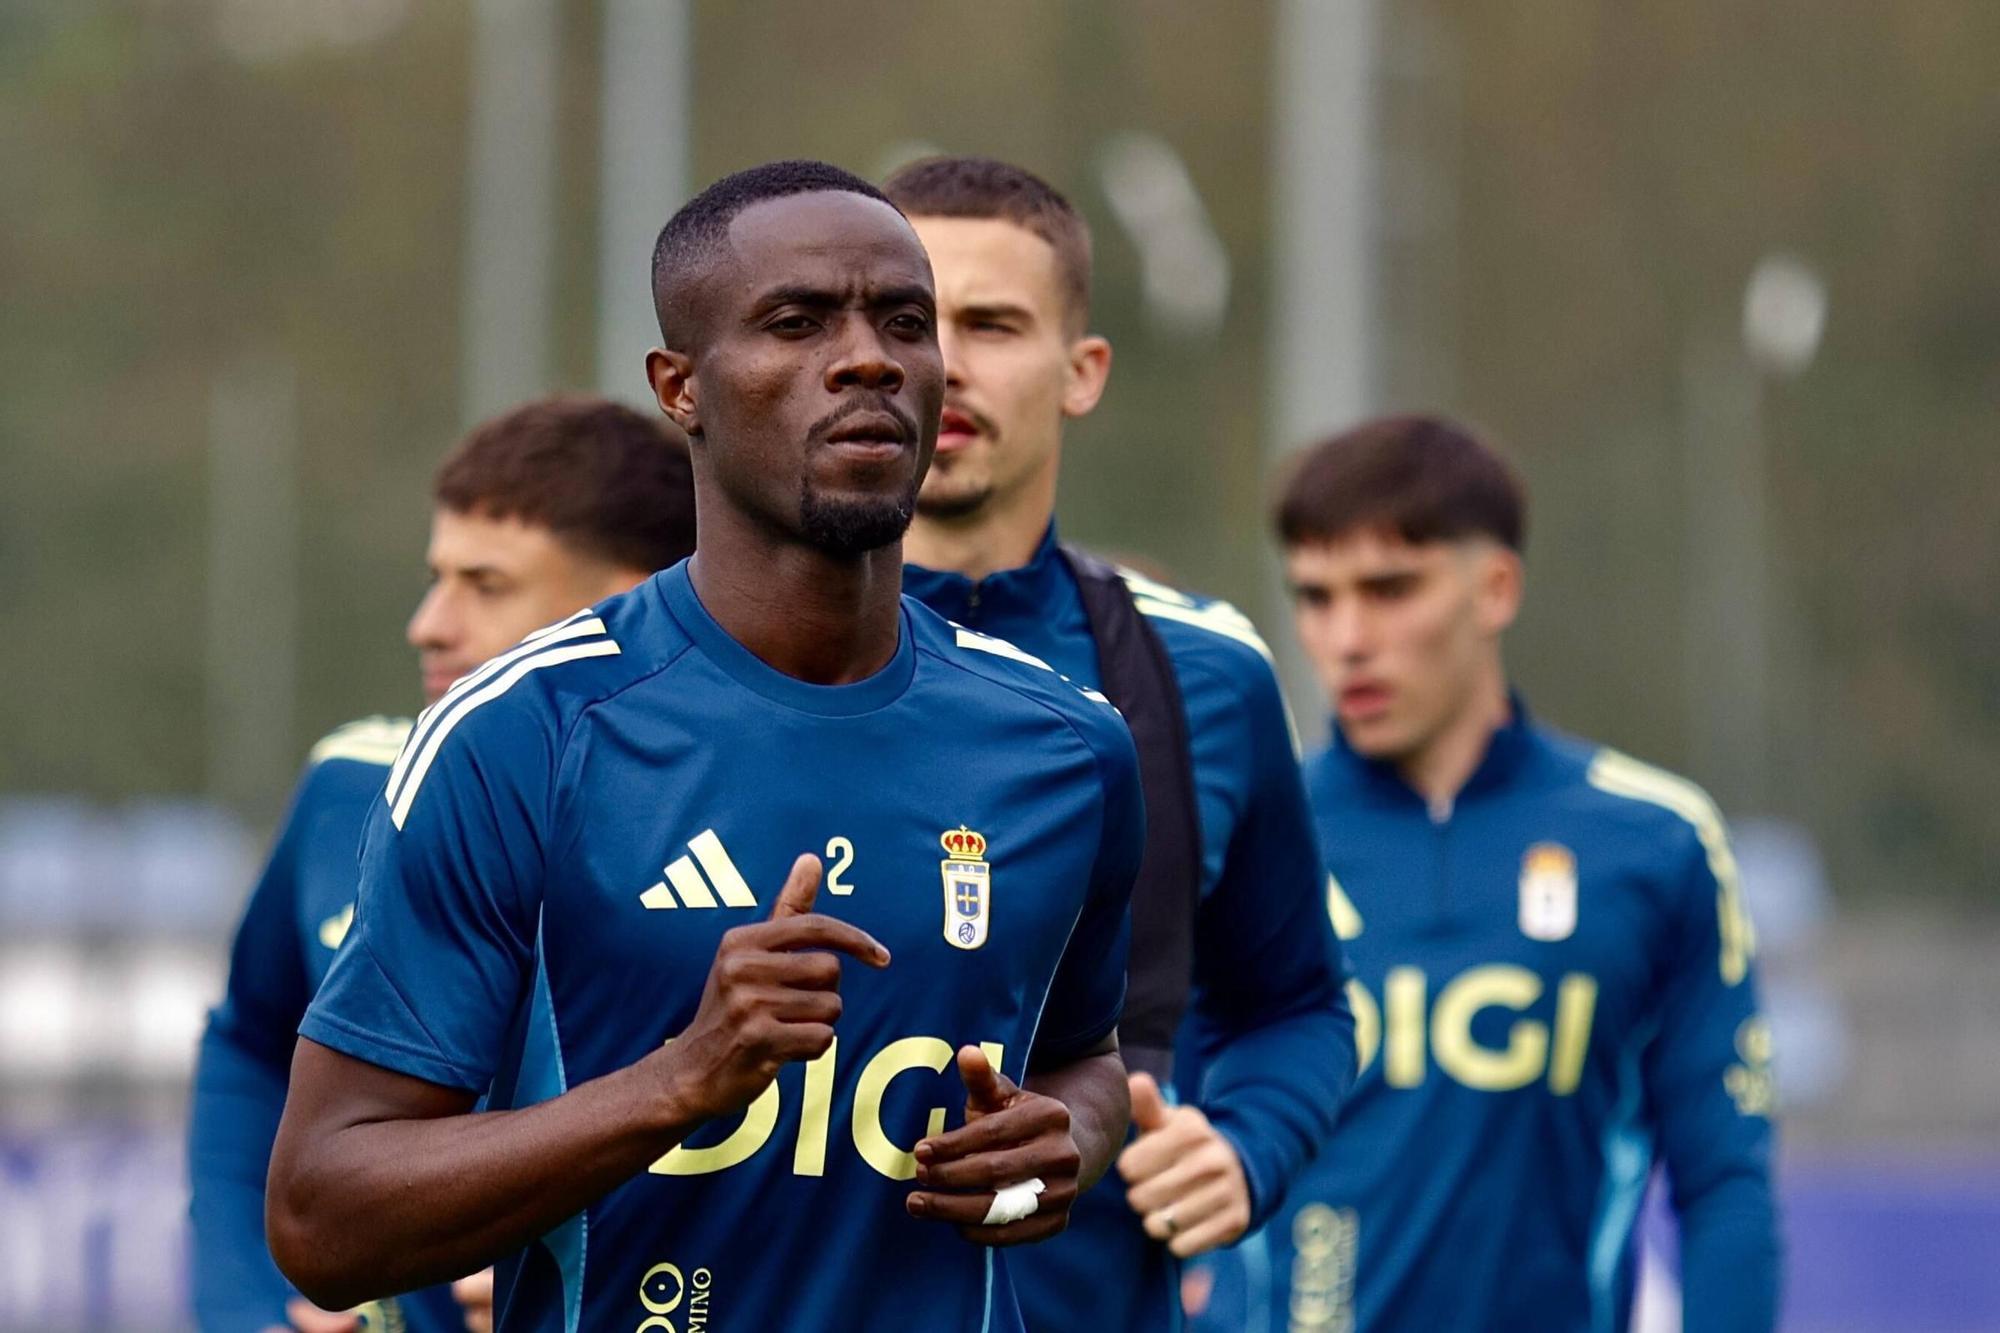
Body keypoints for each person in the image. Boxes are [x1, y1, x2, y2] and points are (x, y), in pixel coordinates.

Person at [264, 160, 1145, 1333]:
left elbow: (1086, 1059)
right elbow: (324, 1220)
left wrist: (1060, 1149)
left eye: (902, 321)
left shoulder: (1066, 746)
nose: (868, 357)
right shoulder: (520, 734)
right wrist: (681, 1080)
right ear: (680, 387)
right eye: (796, 322)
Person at [884, 155, 1353, 1331]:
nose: (944, 364)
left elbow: (1295, 1003)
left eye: (991, 324)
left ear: (1081, 371)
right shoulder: (699, 668)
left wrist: (1244, 1147)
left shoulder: (1206, 674)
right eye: (909, 323)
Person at [1191, 415, 1780, 1331]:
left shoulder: (1657, 841)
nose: (1346, 637)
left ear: (1495, 587)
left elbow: (1725, 1187)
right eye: (1315, 596)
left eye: (1390, 589)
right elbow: (1169, 1163)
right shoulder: (1238, 839)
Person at [187, 396, 699, 1333]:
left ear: (625, 602)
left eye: (486, 584)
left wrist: (556, 1256)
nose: (429, 622)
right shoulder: (352, 784)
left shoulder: (740, 838)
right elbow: (251, 1042)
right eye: (436, 577)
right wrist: (245, 1306)